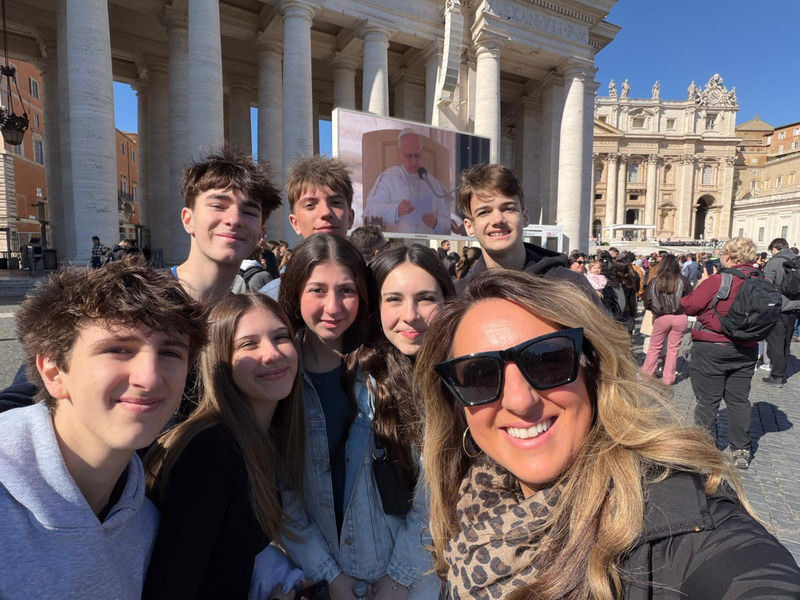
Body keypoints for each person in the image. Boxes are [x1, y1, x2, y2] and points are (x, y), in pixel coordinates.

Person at [415, 268, 800, 600]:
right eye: (480, 375)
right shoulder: (469, 501)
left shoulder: (682, 524)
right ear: (457, 404)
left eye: (548, 360)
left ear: (593, 371)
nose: (519, 400)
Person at [0, 261, 208, 599]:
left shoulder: (146, 525)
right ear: (53, 370)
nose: (150, 377)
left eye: (170, 352)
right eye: (118, 349)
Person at [278, 235, 436, 600]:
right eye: (317, 290)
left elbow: (431, 488)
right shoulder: (280, 374)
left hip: (398, 578)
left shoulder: (389, 369)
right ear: (295, 291)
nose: (332, 307)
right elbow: (282, 491)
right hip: (321, 579)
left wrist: (398, 579)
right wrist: (329, 576)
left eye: (346, 290)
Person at [142, 294, 305, 599]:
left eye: (281, 337)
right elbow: (172, 588)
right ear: (220, 360)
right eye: (248, 344)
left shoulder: (260, 438)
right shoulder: (211, 451)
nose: (272, 354)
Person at [454, 164, 592, 299]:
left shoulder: (571, 286)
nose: (497, 219)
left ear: (525, 217)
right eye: (484, 212)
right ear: (469, 226)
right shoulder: (458, 297)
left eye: (508, 208)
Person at [682, 238, 762, 469]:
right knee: (738, 400)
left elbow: (690, 306)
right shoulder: (762, 279)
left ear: (728, 257)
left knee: (708, 400)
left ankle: (704, 448)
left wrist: (703, 284)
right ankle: (741, 449)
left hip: (712, 348)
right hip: (746, 349)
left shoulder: (719, 279)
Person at [173, 146, 282, 303]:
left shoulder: (248, 320)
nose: (234, 220)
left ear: (260, 233)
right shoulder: (135, 304)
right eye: (218, 206)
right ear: (188, 220)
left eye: (249, 212)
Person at [260, 156, 355, 300]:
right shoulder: (270, 301)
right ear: (295, 223)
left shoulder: (378, 291)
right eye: (310, 205)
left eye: (335, 202)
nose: (326, 212)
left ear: (350, 218)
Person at [364, 129, 451, 234]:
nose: (414, 161)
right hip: (397, 245)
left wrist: (436, 222)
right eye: (409, 156)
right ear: (400, 153)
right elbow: (372, 211)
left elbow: (447, 225)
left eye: (417, 155)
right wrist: (396, 210)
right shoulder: (389, 178)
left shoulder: (433, 183)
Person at [642, 254, 692, 385]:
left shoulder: (655, 280)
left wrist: (653, 308)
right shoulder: (684, 280)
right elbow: (690, 300)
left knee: (654, 347)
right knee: (673, 349)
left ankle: (647, 374)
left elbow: (647, 300)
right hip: (680, 317)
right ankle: (668, 378)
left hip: (662, 316)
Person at [762, 237, 800, 387]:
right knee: (786, 341)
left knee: (775, 341)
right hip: (795, 307)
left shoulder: (774, 262)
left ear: (775, 249)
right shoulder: (798, 260)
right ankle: (782, 371)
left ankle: (776, 376)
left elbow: (766, 286)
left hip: (777, 307)